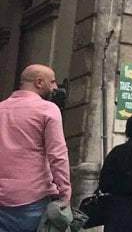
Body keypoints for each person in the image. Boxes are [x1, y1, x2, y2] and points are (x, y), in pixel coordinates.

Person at [0, 64, 71, 232]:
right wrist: (65, 192)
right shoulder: (48, 110)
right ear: (39, 82)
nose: (55, 87)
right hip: (33, 198)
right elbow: (57, 155)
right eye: (52, 82)